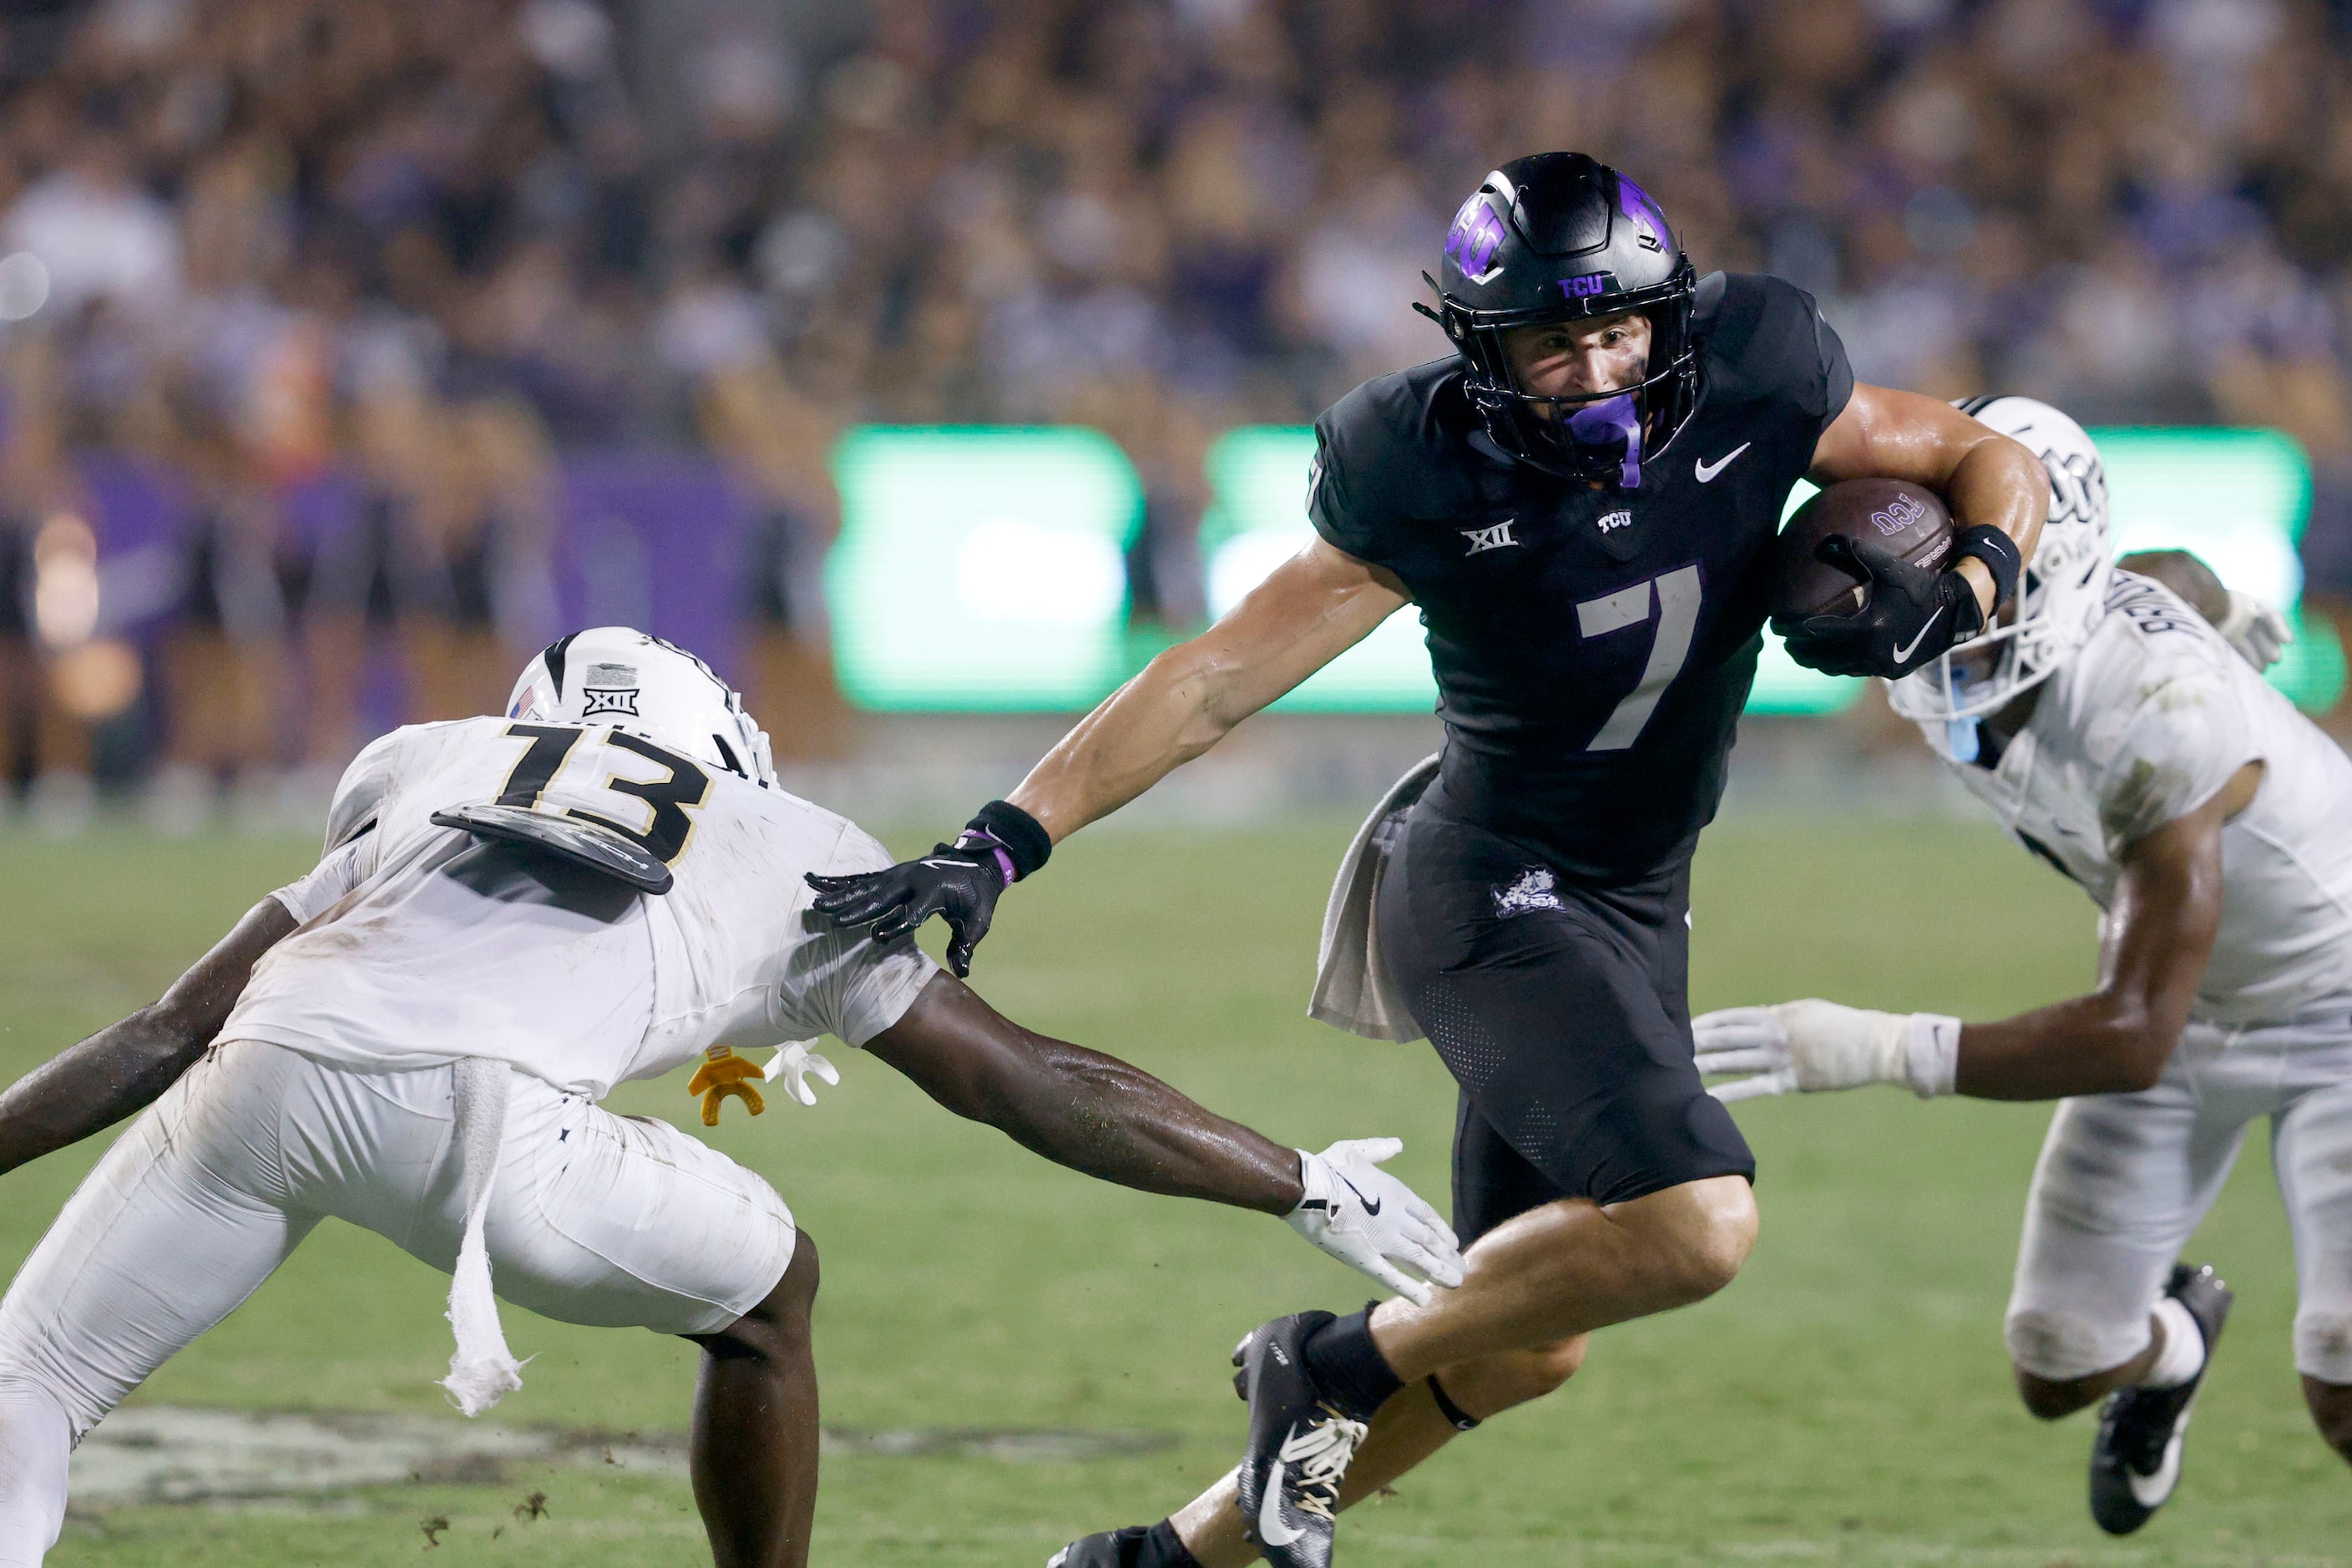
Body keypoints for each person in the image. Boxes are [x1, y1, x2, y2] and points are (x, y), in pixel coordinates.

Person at [809, 152, 2049, 1568]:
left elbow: (1976, 456)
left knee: (1528, 1343)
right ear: (1480, 348)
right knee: (1697, 1225)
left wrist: (1973, 580)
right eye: (1550, 340)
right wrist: (1001, 839)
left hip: (1638, 894)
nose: (1593, 370)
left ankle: (1153, 1563)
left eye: (1618, 330)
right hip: (1489, 881)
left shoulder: (1760, 366)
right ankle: (1322, 1361)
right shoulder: (1417, 459)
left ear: (1668, 313)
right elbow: (1213, 680)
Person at [0, 628, 1461, 1568]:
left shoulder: (428, 760)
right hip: (495, 1135)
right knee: (770, 1297)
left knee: (35, 1385)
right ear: (723, 729)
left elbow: (158, 1031)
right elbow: (1029, 1084)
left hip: (267, 1069)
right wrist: (1297, 1177)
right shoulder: (788, 835)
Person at [1693, 397, 2352, 1536]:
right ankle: (2175, 1343)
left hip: (2325, 996)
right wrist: (2222, 602)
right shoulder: (2027, 618)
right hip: (2198, 1000)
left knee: (2343, 1389)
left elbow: (2134, 1029)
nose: (1940, 634)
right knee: (2059, 1359)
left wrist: (1872, 1046)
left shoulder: (2158, 709)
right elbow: (2157, 570)